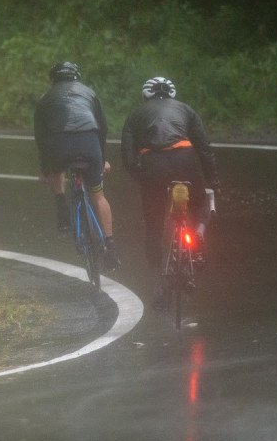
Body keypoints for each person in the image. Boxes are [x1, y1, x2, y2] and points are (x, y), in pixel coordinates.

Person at [120, 77, 219, 309]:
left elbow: (127, 154)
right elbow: (204, 148)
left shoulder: (136, 114)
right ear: (172, 94)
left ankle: (157, 281)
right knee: (200, 204)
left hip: (153, 165)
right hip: (184, 160)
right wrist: (213, 180)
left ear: (146, 95)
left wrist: (141, 177)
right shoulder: (186, 109)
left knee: (154, 227)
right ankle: (199, 234)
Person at [33, 61, 120, 271]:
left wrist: (46, 170)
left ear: (53, 79)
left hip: (58, 145)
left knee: (56, 170)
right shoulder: (89, 93)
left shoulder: (45, 98)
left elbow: (41, 138)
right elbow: (103, 128)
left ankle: (61, 205)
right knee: (98, 195)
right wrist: (102, 159)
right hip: (89, 143)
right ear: (75, 77)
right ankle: (110, 245)